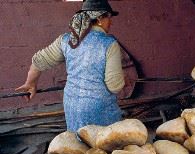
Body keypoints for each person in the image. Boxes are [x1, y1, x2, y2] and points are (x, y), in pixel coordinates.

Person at [16, 0, 125, 133]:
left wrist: (30, 83)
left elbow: (39, 61)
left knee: (77, 144)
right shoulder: (109, 44)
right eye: (109, 17)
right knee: (104, 146)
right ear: (100, 19)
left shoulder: (66, 39)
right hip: (100, 108)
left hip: (72, 105)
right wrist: (122, 79)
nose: (111, 21)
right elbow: (115, 86)